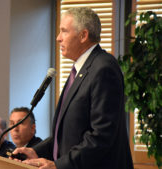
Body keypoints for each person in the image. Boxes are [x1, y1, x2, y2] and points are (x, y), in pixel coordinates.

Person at [12, 7, 133, 169]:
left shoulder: (103, 68)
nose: (58, 38)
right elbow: (66, 135)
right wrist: (35, 152)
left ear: (83, 35)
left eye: (64, 31)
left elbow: (101, 136)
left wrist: (58, 165)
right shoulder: (80, 69)